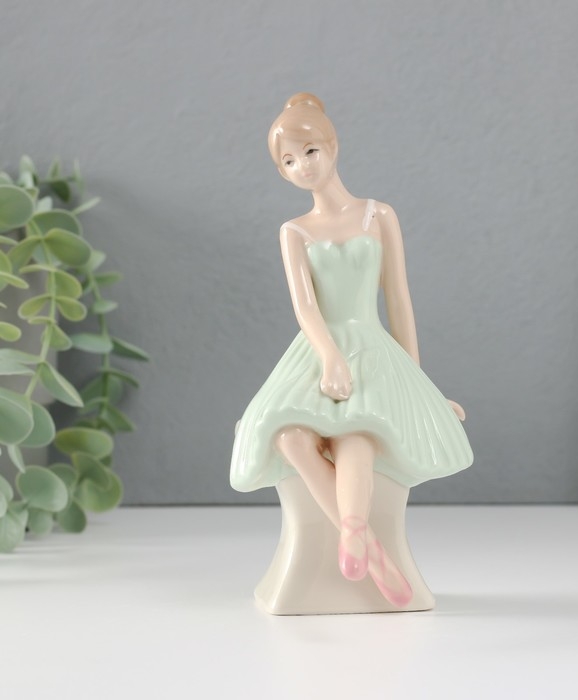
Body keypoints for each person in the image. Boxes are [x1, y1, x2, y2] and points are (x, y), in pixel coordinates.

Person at [230, 93, 473, 607]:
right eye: (288, 161)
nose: (302, 167)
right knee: (290, 435)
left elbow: (398, 298)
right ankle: (366, 548)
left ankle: (356, 535)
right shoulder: (294, 231)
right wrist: (330, 357)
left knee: (357, 433)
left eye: (309, 152)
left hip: (372, 345)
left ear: (332, 146)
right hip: (318, 350)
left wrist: (419, 387)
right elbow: (305, 307)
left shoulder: (377, 215)